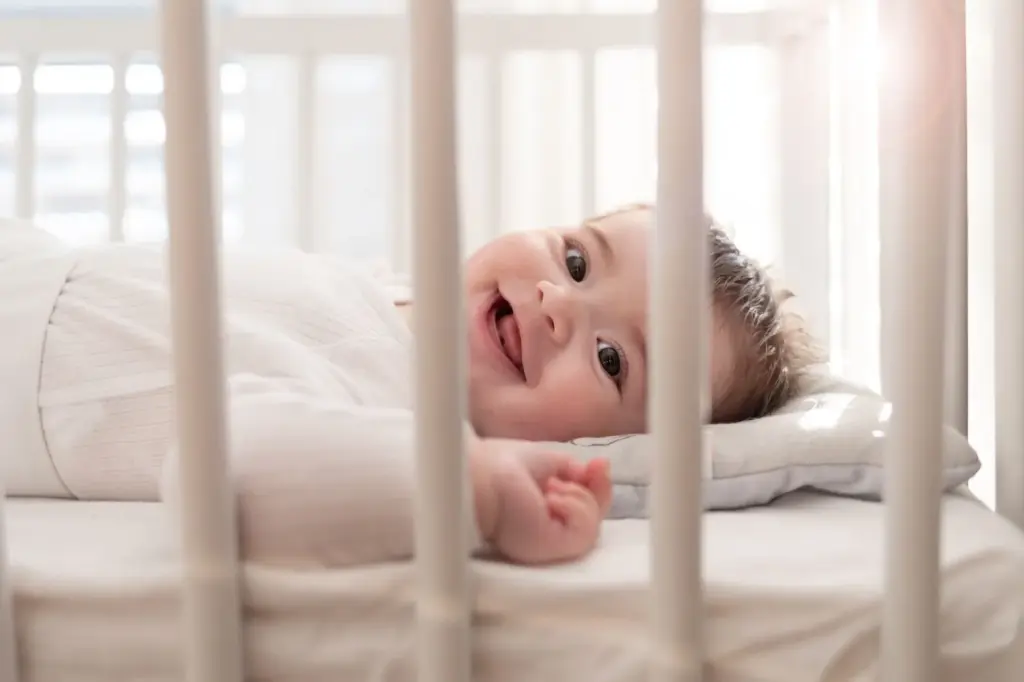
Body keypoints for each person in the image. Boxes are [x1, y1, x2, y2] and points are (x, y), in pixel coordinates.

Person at [0, 204, 817, 568]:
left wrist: (481, 491)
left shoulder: (397, 424)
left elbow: (225, 467)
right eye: (576, 259)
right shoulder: (387, 294)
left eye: (613, 361)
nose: (558, 304)